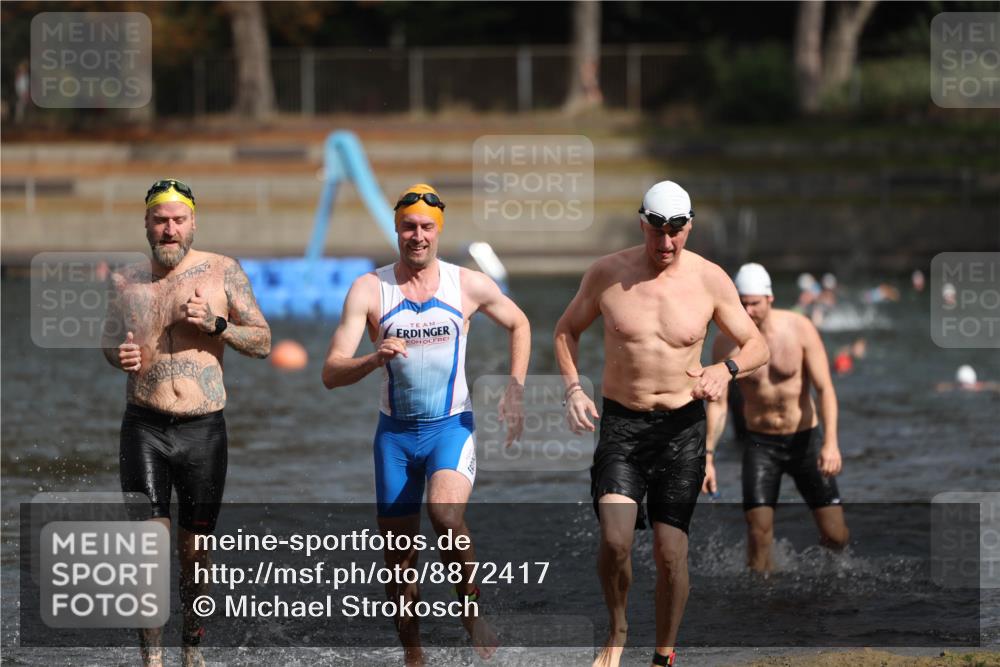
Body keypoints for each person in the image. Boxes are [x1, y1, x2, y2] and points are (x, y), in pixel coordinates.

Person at [553, 181, 769, 667]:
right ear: (642, 222)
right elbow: (566, 330)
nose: (665, 244)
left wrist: (724, 369)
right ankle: (617, 629)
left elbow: (757, 345)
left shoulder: (711, 280)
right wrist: (572, 388)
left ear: (689, 226)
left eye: (676, 232)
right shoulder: (608, 274)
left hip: (682, 431)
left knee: (671, 554)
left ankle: (663, 654)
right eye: (657, 231)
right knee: (616, 539)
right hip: (623, 427)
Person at [322, 184, 530, 666]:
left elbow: (519, 323)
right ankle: (413, 655)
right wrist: (374, 358)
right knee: (399, 559)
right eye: (409, 227)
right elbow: (331, 372)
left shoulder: (468, 285)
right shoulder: (369, 289)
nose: (418, 236)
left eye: (426, 228)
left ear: (439, 232)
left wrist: (515, 387)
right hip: (394, 437)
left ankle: (471, 610)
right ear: (397, 229)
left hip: (449, 428)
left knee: (446, 516)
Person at [102, 179, 272, 667]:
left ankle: (191, 650)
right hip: (144, 426)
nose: (169, 229)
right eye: (160, 220)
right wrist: (121, 354)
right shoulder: (125, 280)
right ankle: (152, 659)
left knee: (195, 552)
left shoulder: (223, 273)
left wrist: (217, 325)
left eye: (178, 220)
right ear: (147, 225)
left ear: (193, 222)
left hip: (203, 430)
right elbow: (109, 345)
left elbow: (262, 341)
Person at [702, 262, 849, 574]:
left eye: (754, 303)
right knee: (758, 534)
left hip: (805, 439)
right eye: (741, 304)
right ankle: (761, 600)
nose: (747, 311)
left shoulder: (799, 328)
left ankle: (829, 584)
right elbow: (718, 404)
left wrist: (831, 444)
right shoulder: (726, 343)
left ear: (769, 299)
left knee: (837, 535)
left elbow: (825, 389)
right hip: (760, 445)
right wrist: (709, 455)